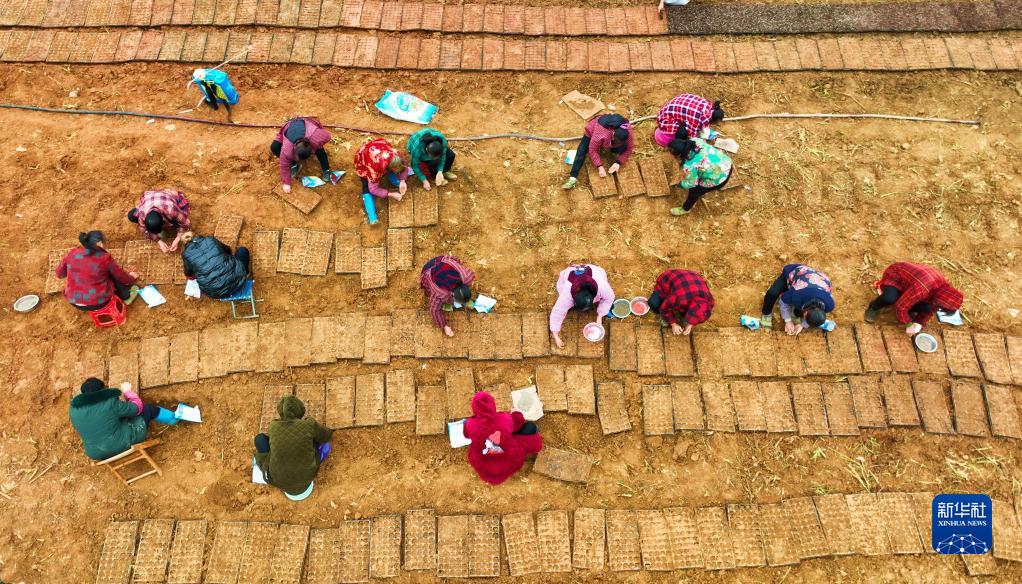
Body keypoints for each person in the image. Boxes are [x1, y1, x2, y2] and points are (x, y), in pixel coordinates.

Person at [69, 378, 178, 461]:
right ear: (102, 391)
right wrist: (128, 392)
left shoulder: (73, 411)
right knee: (149, 409)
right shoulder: (110, 403)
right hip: (121, 444)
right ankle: (174, 419)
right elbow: (137, 409)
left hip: (97, 454)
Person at [254, 395, 333, 501]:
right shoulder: (308, 424)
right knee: (319, 442)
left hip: (280, 480)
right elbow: (327, 436)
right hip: (307, 475)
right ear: (301, 410)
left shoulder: (273, 425)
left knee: (259, 439)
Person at [464, 391, 543, 485]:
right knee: (530, 427)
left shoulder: (470, 424)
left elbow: (466, 435)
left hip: (484, 467)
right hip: (510, 462)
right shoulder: (504, 418)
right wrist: (515, 413)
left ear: (474, 408)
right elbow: (519, 422)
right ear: (493, 406)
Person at [865, 262, 964, 335]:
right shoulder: (923, 289)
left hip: (912, 284)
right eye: (940, 308)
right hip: (896, 275)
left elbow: (931, 310)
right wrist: (908, 324)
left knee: (928, 307)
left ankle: (905, 300)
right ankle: (873, 307)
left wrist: (919, 323)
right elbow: (900, 307)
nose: (938, 309)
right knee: (889, 298)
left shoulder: (944, 293)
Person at [56, 231, 140, 311]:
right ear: (99, 243)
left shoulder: (72, 253)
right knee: (112, 273)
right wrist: (131, 278)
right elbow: (121, 276)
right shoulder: (104, 258)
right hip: (99, 302)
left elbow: (59, 274)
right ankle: (126, 296)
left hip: (73, 301)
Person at [549, 264, 616, 349]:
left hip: (596, 272)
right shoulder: (567, 294)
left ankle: (602, 309)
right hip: (570, 274)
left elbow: (610, 297)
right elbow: (557, 312)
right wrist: (555, 334)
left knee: (606, 300)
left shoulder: (602, 286)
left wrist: (600, 316)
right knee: (564, 305)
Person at [562, 114, 635, 190]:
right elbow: (592, 150)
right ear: (613, 134)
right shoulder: (600, 133)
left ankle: (611, 147)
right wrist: (599, 166)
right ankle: (573, 177)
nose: (617, 143)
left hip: (609, 137)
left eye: (619, 142)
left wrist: (618, 163)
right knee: (582, 150)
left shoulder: (628, 132)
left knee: (622, 148)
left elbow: (629, 148)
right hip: (594, 130)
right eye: (616, 141)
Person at [761, 264, 835, 335]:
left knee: (797, 310)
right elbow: (783, 301)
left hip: (818, 279)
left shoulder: (829, 305)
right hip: (794, 273)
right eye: (805, 318)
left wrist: (802, 325)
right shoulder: (798, 296)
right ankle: (766, 314)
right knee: (772, 293)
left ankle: (795, 309)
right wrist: (788, 321)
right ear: (806, 312)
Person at [667, 137, 733, 216]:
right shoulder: (696, 140)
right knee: (704, 171)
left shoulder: (690, 166)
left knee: (694, 191)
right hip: (727, 164)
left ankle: (686, 209)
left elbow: (691, 183)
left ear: (679, 155)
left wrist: (680, 184)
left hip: (719, 180)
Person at [271, 116, 334, 194]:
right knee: (274, 147)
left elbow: (328, 136)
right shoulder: (287, 149)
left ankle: (326, 170)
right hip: (290, 126)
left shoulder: (316, 137)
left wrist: (316, 146)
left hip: (308, 127)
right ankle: (294, 165)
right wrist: (286, 183)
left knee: (319, 149)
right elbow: (284, 165)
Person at [180, 232, 249, 299]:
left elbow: (189, 274)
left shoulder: (186, 254)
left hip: (216, 292)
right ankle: (246, 273)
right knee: (242, 251)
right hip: (239, 279)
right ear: (195, 235)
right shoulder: (210, 240)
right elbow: (228, 250)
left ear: (184, 244)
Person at [420, 255, 475, 337]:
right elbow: (434, 310)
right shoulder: (440, 293)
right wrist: (444, 326)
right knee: (434, 296)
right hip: (429, 270)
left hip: (442, 261)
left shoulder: (467, 277)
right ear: (452, 295)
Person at [648, 269, 715, 335]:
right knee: (654, 304)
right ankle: (661, 316)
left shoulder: (710, 301)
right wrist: (673, 324)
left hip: (689, 280)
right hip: (668, 278)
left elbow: (699, 315)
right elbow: (664, 309)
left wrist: (690, 325)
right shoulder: (680, 299)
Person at [127, 188, 191, 253]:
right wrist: (159, 241)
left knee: (176, 222)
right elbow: (144, 230)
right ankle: (160, 231)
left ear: (163, 220)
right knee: (131, 216)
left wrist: (177, 239)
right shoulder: (142, 214)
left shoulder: (171, 210)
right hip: (150, 199)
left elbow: (185, 223)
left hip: (165, 198)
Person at [654, 94, 724, 147]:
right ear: (711, 119)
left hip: (673, 109)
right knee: (683, 133)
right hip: (666, 119)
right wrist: (699, 141)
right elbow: (691, 132)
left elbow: (701, 123)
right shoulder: (696, 117)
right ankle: (675, 140)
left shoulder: (708, 107)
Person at [355, 137, 411, 202]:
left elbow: (403, 165)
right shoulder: (375, 169)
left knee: (395, 172)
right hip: (362, 160)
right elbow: (373, 189)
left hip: (377, 147)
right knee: (366, 186)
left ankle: (392, 175)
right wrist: (390, 194)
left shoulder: (396, 154)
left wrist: (402, 181)